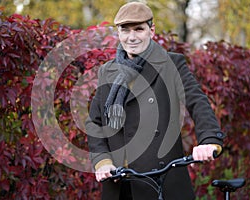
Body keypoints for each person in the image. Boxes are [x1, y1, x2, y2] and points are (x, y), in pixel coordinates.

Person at [85, 2, 225, 200]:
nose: (131, 37)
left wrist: (209, 140)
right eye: (125, 30)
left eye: (139, 29)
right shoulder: (107, 71)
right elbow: (95, 122)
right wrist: (102, 161)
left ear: (151, 30)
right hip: (117, 184)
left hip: (161, 181)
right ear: (118, 33)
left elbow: (197, 102)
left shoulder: (171, 64)